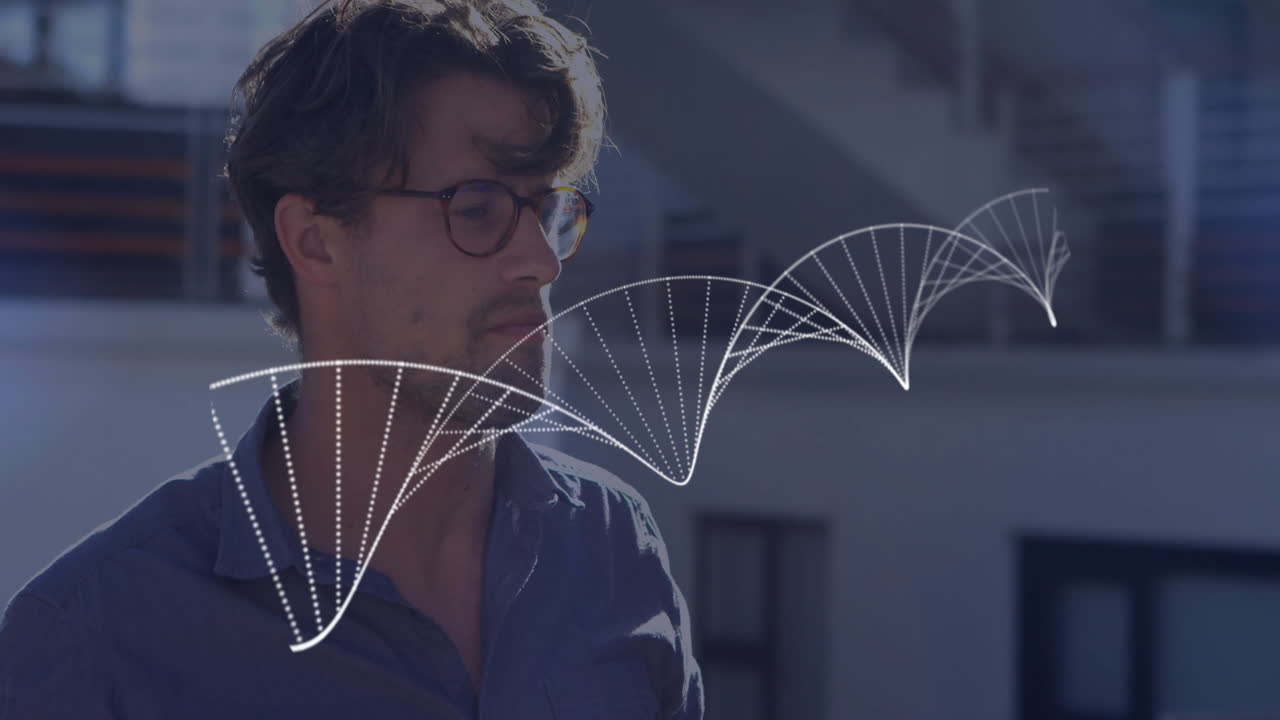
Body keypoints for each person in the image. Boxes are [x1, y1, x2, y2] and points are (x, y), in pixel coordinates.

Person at [0, 1, 705, 718]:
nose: (540, 261)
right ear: (316, 242)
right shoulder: (100, 641)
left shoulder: (613, 549)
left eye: (548, 209)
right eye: (477, 206)